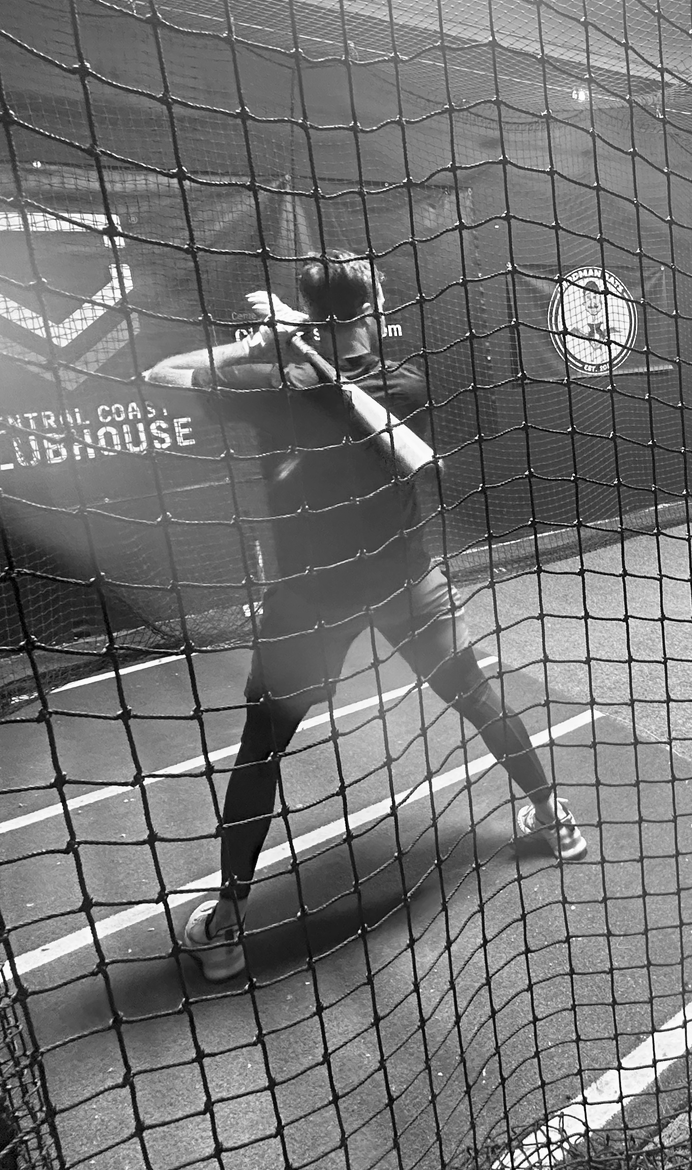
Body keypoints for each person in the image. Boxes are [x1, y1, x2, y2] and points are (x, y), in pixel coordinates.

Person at [140, 253, 589, 983]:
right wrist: (291, 342)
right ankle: (552, 814)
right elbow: (345, 389)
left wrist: (259, 348)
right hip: (407, 584)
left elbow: (162, 372)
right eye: (381, 301)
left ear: (313, 313)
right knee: (474, 694)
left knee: (263, 744)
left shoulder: (271, 387)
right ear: (369, 308)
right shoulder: (402, 382)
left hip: (310, 600)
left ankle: (225, 921)